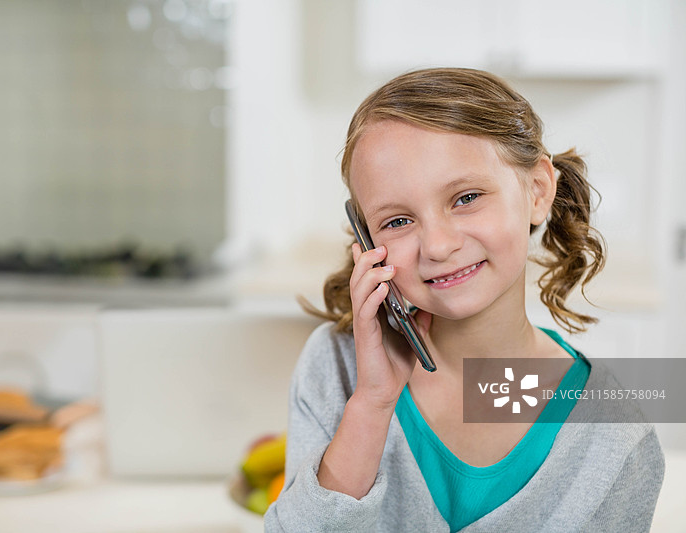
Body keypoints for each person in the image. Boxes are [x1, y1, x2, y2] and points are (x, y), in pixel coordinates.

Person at [264, 68, 665, 532]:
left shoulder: (615, 436)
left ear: (537, 191)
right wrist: (371, 405)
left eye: (466, 197)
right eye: (397, 221)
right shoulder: (333, 368)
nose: (436, 245)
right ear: (366, 240)